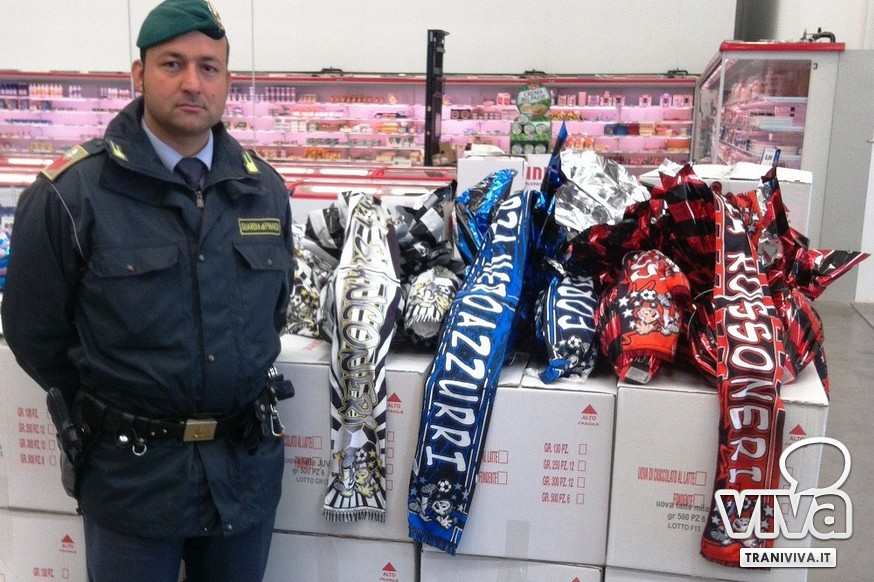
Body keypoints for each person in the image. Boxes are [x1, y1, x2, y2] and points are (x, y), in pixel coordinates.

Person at [0, 1, 294, 580]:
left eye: (209, 67)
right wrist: (106, 403)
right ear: (139, 74)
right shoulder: (72, 194)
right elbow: (34, 331)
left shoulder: (263, 190)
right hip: (132, 482)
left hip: (242, 476)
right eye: (172, 64)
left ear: (227, 81)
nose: (192, 83)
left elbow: (274, 311)